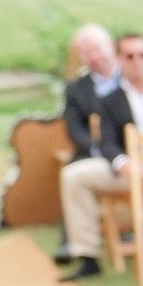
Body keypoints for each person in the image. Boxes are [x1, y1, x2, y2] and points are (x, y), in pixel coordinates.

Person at [58, 33, 143, 282]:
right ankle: (87, 256)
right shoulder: (109, 101)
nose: (138, 61)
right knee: (74, 175)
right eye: (130, 56)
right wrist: (126, 165)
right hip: (132, 171)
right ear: (119, 59)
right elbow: (107, 143)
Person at [53, 23, 119, 265]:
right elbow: (75, 129)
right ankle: (72, 241)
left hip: (130, 151)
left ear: (110, 47)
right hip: (94, 151)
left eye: (97, 49)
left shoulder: (130, 79)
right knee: (73, 170)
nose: (93, 57)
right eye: (86, 53)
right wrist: (99, 149)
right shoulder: (76, 90)